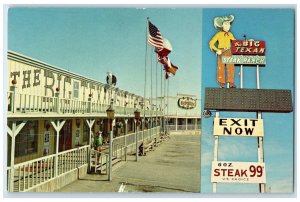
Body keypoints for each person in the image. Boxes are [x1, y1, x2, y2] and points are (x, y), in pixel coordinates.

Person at [209, 15, 236, 88]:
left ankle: (231, 82)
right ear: (222, 25)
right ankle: (221, 83)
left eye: (229, 24)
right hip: (221, 50)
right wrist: (217, 50)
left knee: (230, 66)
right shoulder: (218, 34)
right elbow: (211, 43)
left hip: (228, 50)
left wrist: (246, 43)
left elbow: (235, 43)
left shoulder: (230, 34)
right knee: (221, 67)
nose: (228, 26)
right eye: (226, 24)